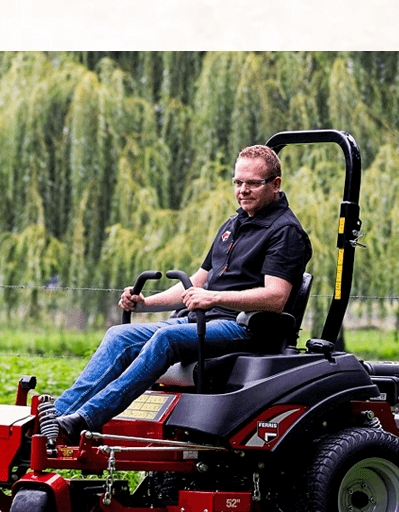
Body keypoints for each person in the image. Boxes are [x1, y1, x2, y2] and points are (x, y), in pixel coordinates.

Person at [44, 145, 313, 444]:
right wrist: (145, 304)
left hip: (245, 328)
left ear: (275, 184)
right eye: (238, 183)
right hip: (203, 320)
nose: (243, 190)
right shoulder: (233, 225)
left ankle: (84, 419)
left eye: (252, 183)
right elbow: (197, 281)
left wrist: (214, 298)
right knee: (120, 335)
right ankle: (55, 418)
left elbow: (275, 297)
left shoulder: (285, 232)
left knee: (166, 339)